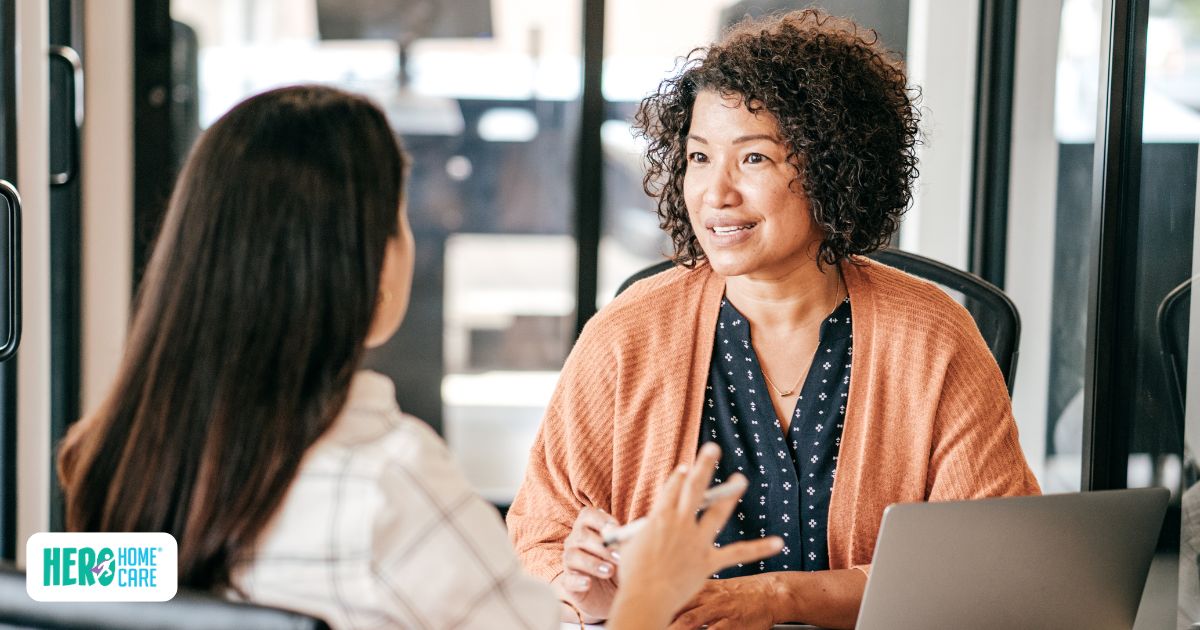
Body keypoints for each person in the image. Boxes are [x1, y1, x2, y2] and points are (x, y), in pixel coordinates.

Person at [55, 85, 781, 629]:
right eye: (400, 220)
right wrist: (649, 594)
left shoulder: (108, 459)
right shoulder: (388, 482)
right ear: (366, 268)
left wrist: (589, 604)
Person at [507, 9, 1041, 629]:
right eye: (699, 157)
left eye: (753, 159)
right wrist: (586, 592)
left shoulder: (932, 336)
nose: (716, 193)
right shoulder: (628, 335)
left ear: (834, 167)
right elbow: (538, 542)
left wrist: (780, 597)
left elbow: (986, 566)